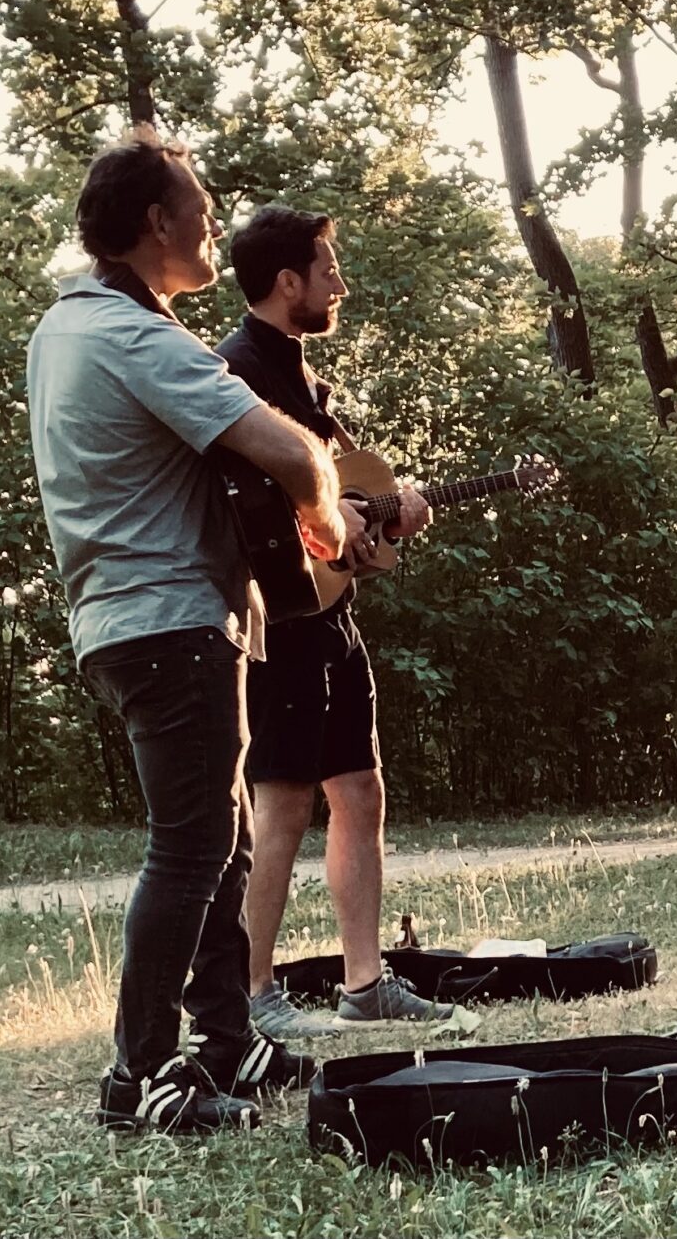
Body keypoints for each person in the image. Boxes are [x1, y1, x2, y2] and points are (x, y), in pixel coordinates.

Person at [27, 137, 359, 1131]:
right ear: (155, 224)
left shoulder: (63, 328)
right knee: (191, 845)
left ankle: (228, 1043)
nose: (214, 222)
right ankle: (134, 1080)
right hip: (168, 618)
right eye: (200, 206)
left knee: (224, 837)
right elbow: (284, 448)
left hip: (127, 619)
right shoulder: (133, 334)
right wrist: (332, 526)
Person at [215, 206, 455, 1036]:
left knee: (359, 789)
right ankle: (254, 996)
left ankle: (364, 986)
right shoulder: (235, 373)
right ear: (288, 284)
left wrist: (390, 516)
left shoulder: (304, 382)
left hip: (331, 617)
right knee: (280, 802)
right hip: (278, 621)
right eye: (327, 271)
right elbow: (241, 513)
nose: (339, 285)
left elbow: (344, 505)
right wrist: (329, 526)